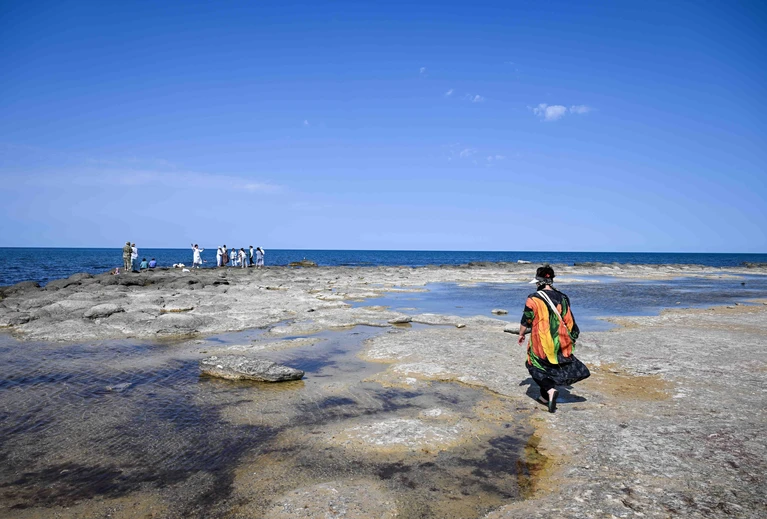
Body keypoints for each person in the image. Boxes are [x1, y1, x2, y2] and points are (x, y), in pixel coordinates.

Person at [517, 265, 590, 413]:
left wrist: (521, 334)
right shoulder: (563, 297)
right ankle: (545, 398)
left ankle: (550, 390)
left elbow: (527, 319)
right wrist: (571, 338)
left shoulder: (533, 298)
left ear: (539, 282)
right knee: (552, 366)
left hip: (541, 340)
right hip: (560, 339)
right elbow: (568, 320)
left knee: (533, 364)